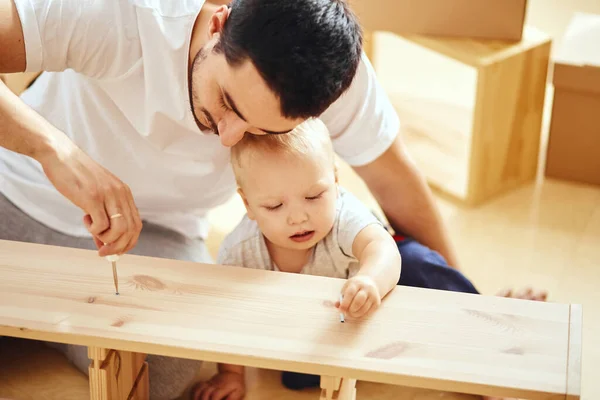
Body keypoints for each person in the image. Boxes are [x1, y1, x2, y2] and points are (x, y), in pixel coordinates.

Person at [0, 0, 545, 398]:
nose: (231, 136)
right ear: (218, 21)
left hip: (155, 234)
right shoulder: (125, 16)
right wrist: (56, 151)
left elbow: (395, 181)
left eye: (257, 128)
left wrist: (473, 309)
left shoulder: (331, 77)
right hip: (11, 188)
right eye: (226, 101)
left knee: (173, 372)